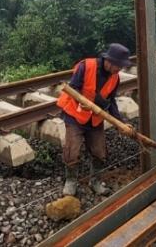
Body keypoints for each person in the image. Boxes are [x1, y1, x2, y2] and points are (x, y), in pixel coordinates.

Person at [56, 43, 132, 197]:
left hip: (95, 118)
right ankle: (71, 181)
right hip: (75, 115)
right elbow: (73, 88)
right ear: (109, 61)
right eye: (119, 66)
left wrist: (120, 123)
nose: (120, 69)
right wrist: (84, 102)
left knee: (99, 151)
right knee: (73, 150)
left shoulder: (115, 78)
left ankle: (95, 181)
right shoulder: (86, 66)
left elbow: (111, 101)